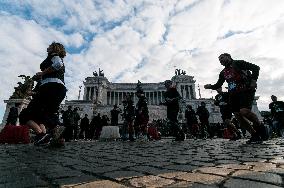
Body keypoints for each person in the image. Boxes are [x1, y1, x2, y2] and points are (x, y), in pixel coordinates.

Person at [204, 53, 263, 143]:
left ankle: (260, 127)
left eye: (222, 58)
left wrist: (254, 80)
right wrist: (210, 86)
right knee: (238, 116)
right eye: (219, 60)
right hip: (234, 94)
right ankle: (254, 135)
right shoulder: (223, 72)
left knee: (244, 111)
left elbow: (256, 68)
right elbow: (218, 84)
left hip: (245, 90)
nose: (221, 61)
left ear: (229, 57)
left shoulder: (238, 63)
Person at [19, 42, 67, 146]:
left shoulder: (54, 56)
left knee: (25, 114)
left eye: (49, 46)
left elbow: (58, 64)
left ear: (54, 48)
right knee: (47, 113)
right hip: (59, 88)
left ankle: (42, 135)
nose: (47, 48)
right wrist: (41, 77)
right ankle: (56, 134)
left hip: (50, 87)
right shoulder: (56, 58)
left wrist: (42, 73)